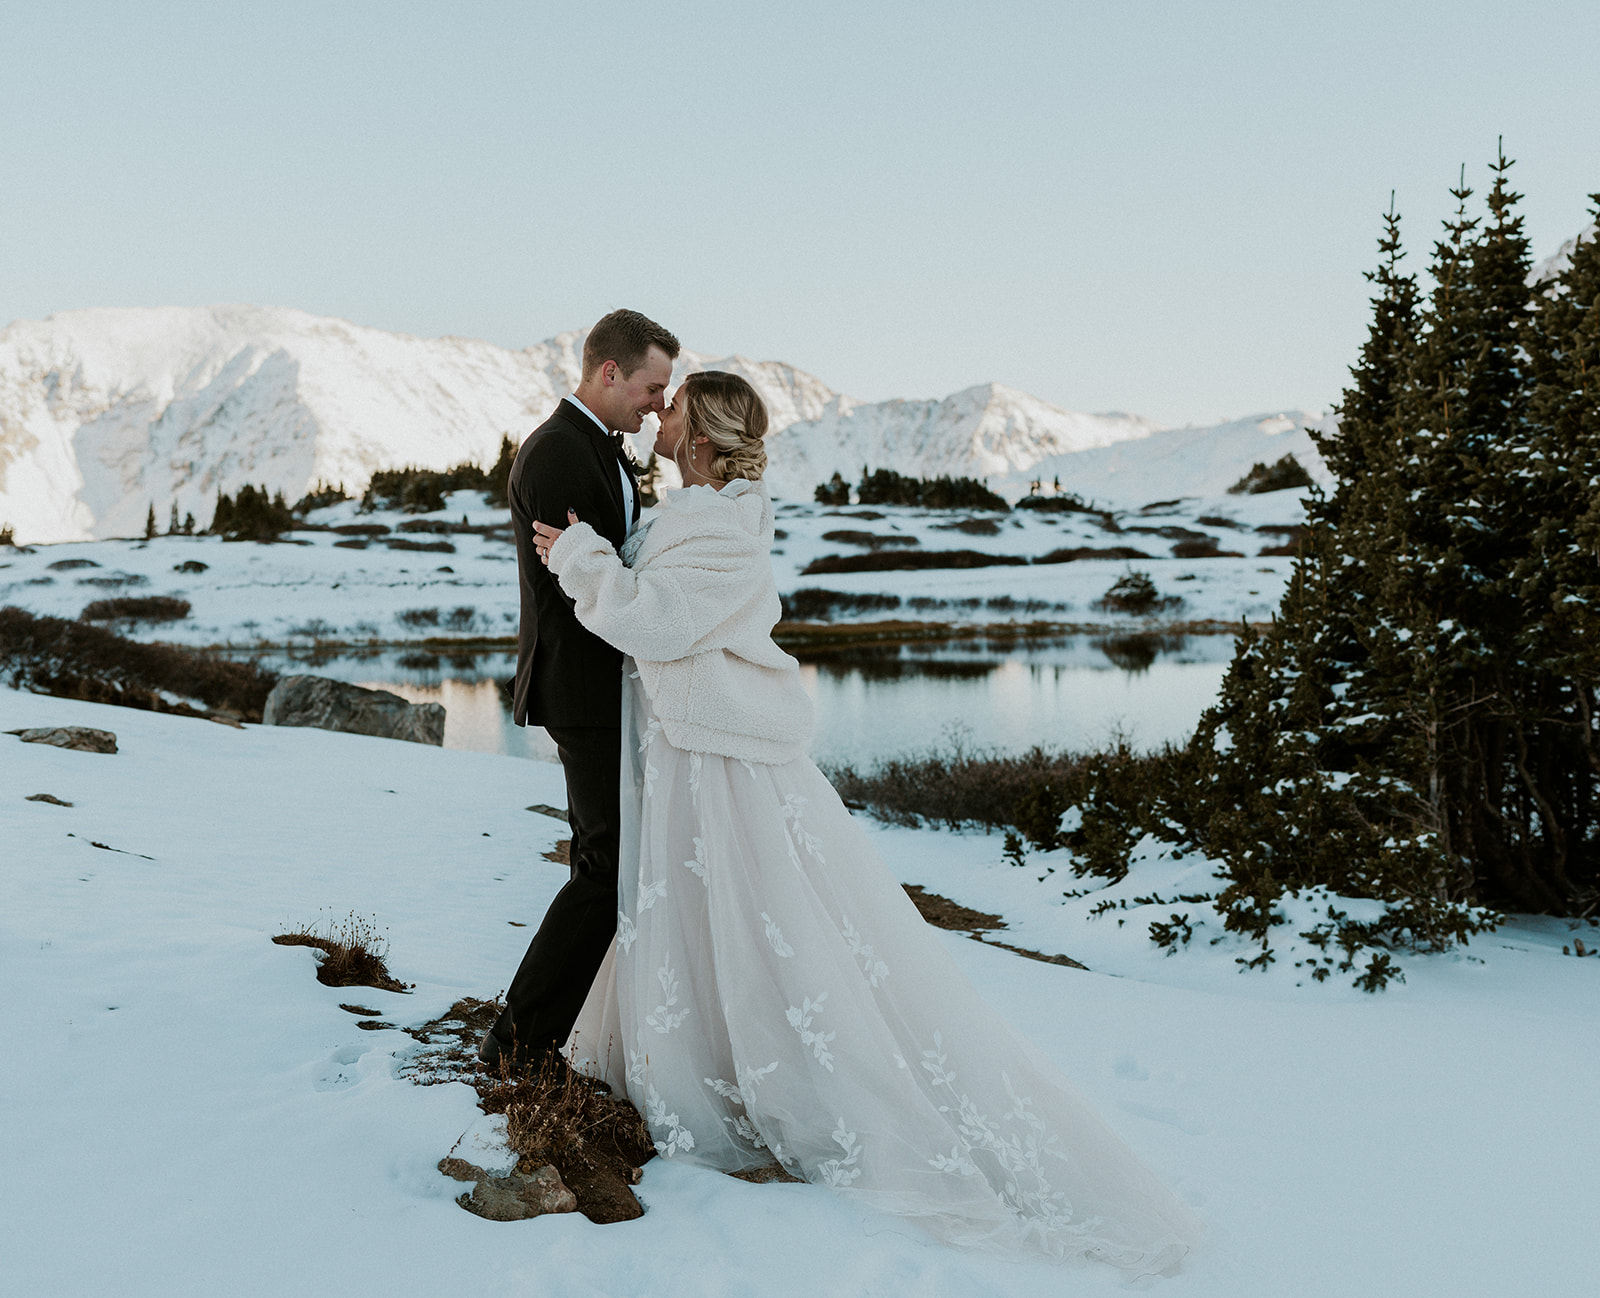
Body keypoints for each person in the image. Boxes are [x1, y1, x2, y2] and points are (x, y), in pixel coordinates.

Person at [531, 371, 1200, 1271]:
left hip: (718, 758)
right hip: (689, 749)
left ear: (702, 433)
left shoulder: (723, 522)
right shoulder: (698, 509)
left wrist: (581, 559)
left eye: (675, 401)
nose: (660, 409)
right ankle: (711, 1049)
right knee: (701, 912)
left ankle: (778, 1082)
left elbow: (654, 623)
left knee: (752, 915)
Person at [478, 308, 680, 1073]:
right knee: (606, 866)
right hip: (584, 685)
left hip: (600, 686)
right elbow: (594, 589)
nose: (658, 404)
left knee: (599, 863)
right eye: (652, 387)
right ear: (609, 373)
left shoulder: (600, 447)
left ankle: (538, 1035)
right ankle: (519, 1043)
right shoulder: (562, 451)